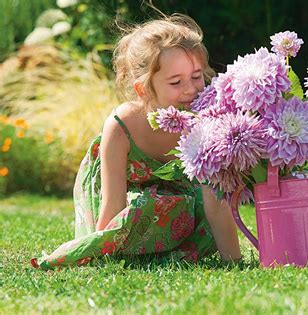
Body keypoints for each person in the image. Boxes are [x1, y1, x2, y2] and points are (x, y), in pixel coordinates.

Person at [31, 13, 241, 270]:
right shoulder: (122, 125)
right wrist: (99, 253)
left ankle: (172, 251)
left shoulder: (204, 119)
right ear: (144, 89)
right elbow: (112, 204)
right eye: (176, 82)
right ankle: (131, 254)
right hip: (131, 201)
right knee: (145, 206)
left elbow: (215, 203)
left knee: (195, 206)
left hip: (181, 203)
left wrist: (234, 261)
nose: (191, 89)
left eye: (197, 76)